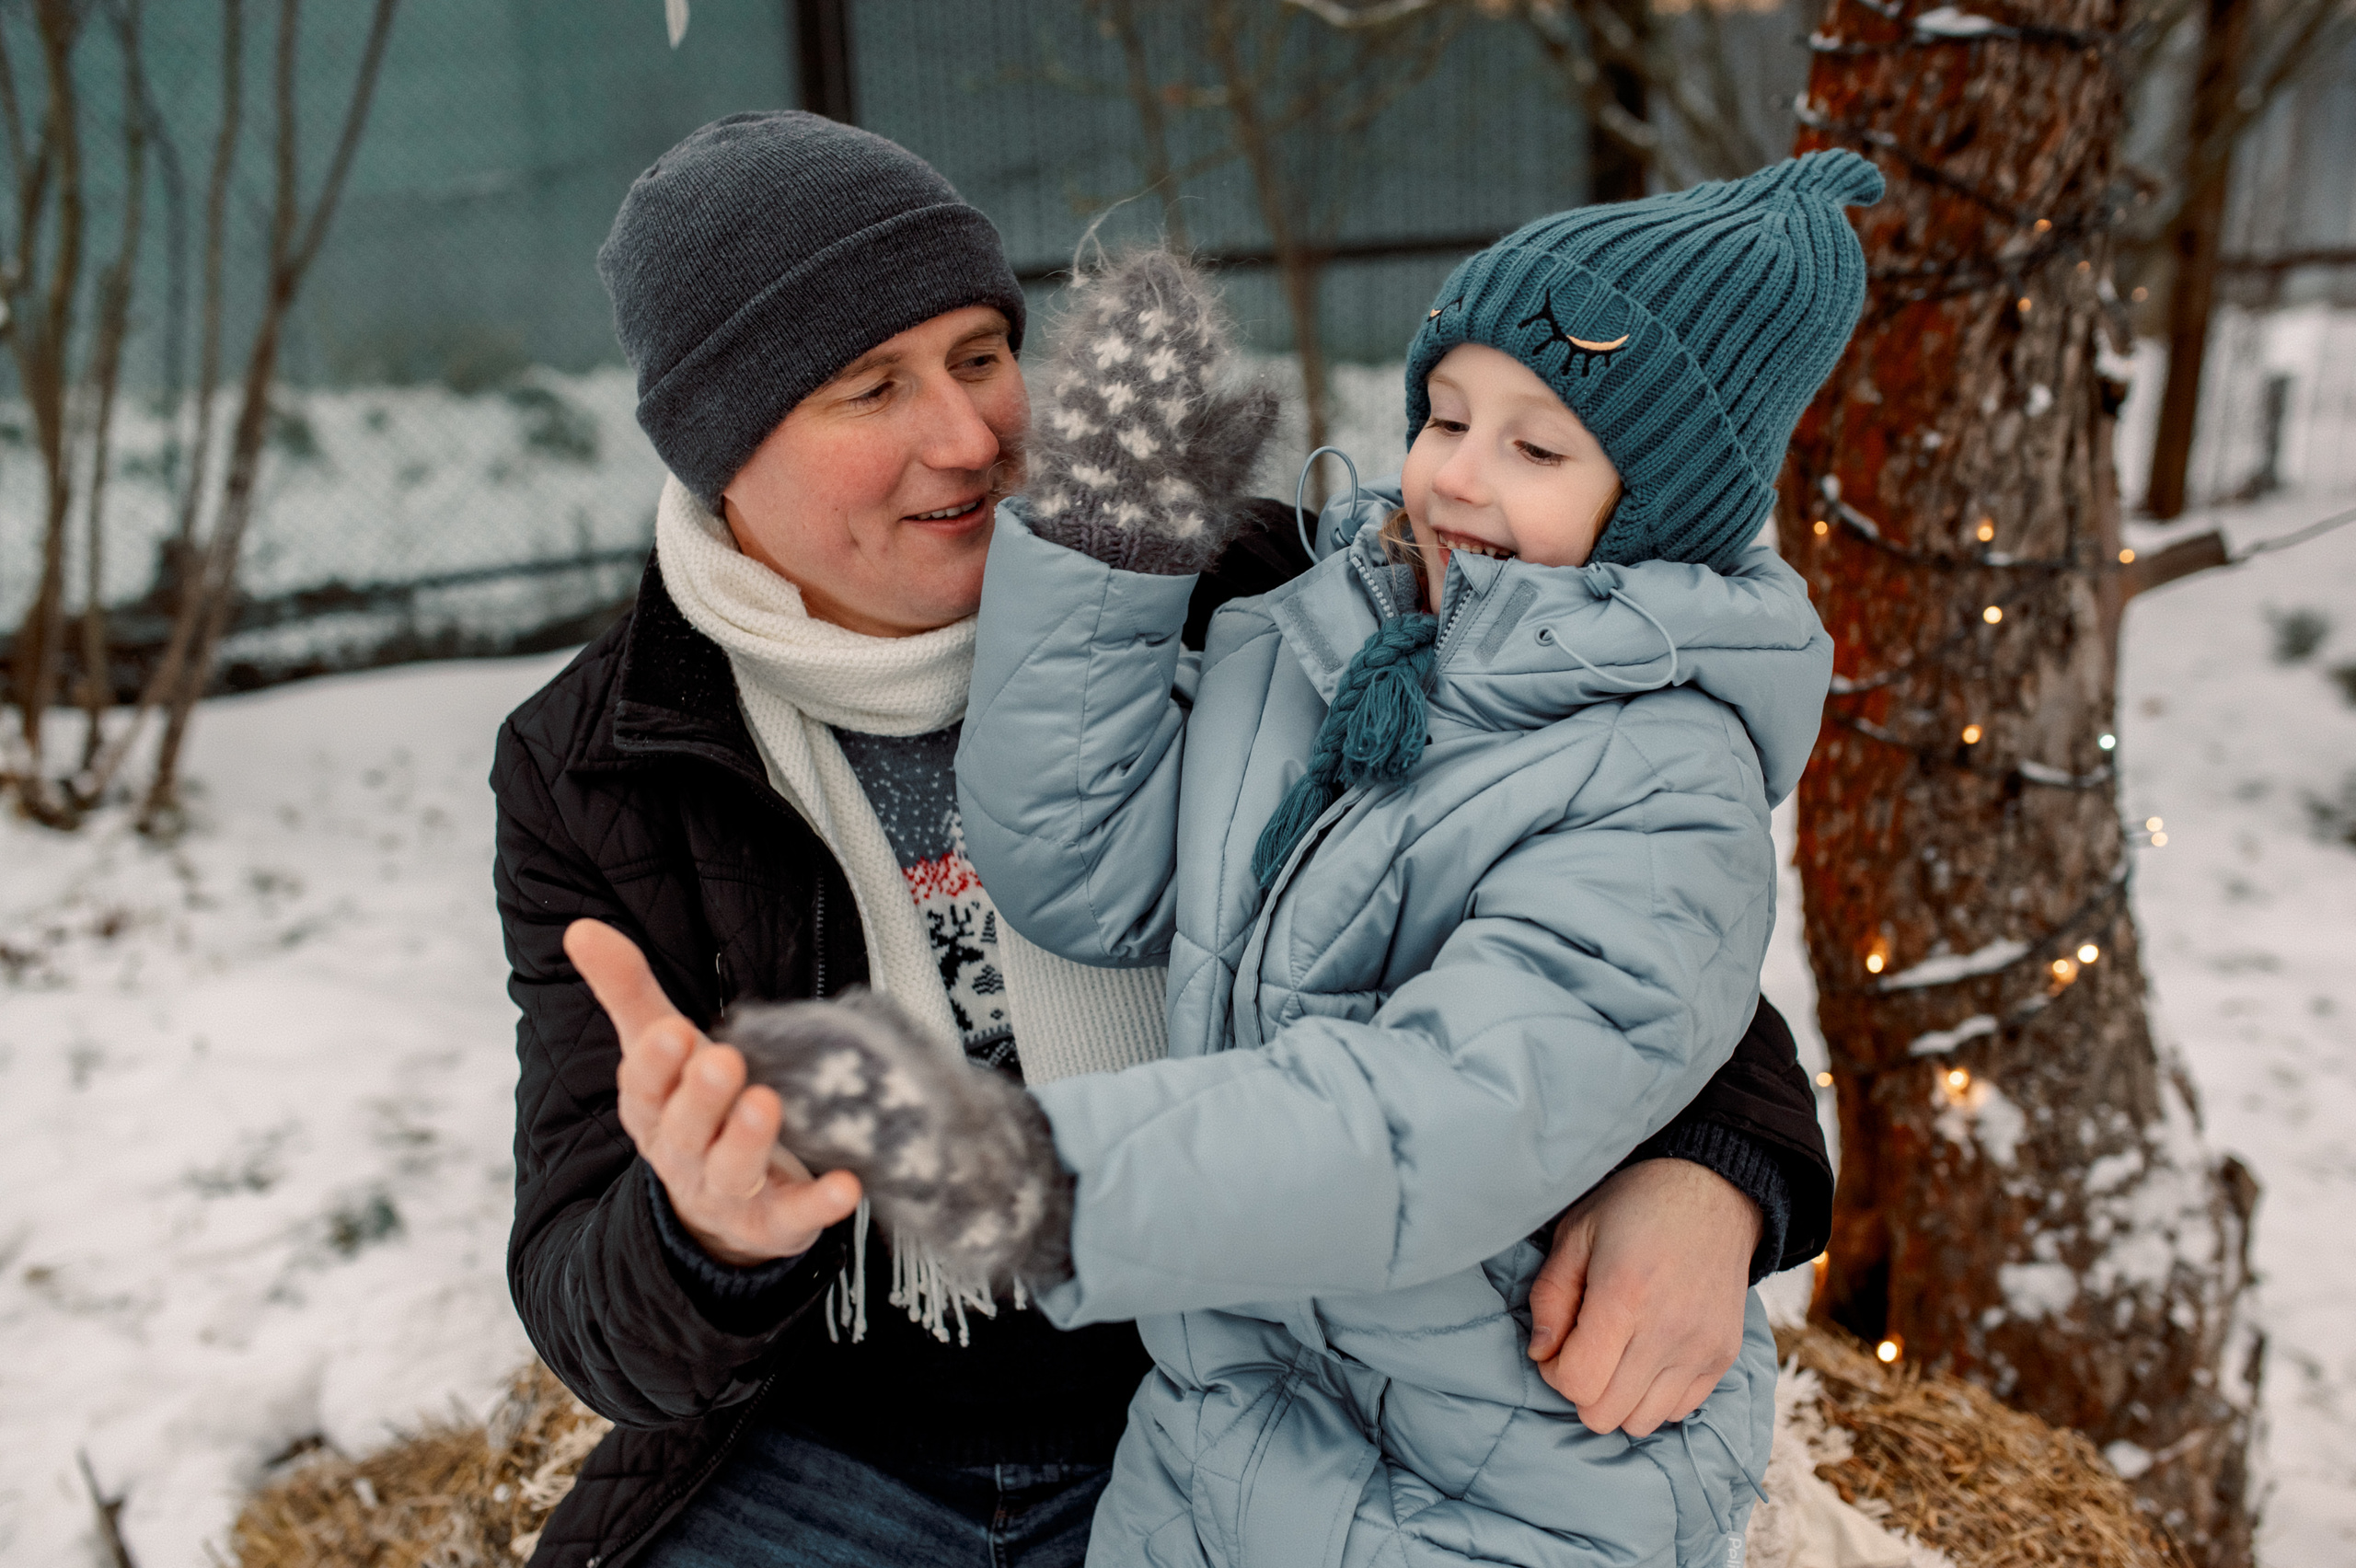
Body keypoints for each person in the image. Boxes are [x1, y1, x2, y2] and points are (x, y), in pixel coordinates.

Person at [494, 110, 1833, 1568]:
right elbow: (589, 1308)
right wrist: (707, 1236)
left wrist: (1713, 1169)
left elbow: (1606, 922)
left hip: (1218, 1399)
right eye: (870, 388)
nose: (967, 437)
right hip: (843, 1443)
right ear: (722, 446)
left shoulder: (1236, 587)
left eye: (980, 357)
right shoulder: (607, 762)